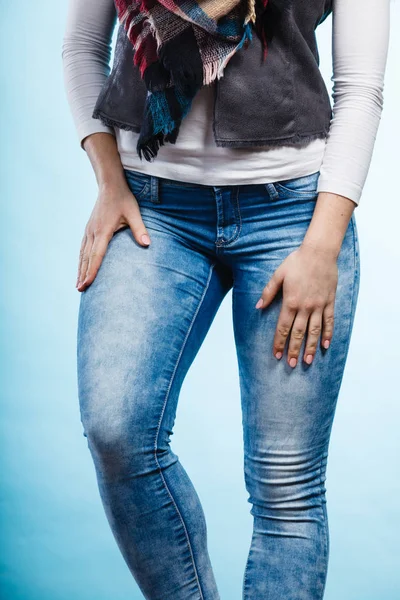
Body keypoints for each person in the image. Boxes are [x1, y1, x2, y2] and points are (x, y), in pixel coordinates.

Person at [61, 1, 390, 598]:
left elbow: (361, 88)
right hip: (154, 208)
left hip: (293, 215)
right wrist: (109, 178)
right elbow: (82, 47)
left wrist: (323, 243)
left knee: (285, 486)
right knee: (117, 430)